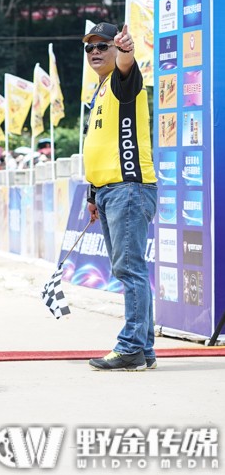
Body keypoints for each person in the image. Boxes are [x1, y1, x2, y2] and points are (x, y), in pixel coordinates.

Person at [82, 22, 158, 372]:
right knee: (132, 270)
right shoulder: (98, 90)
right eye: (89, 47)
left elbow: (127, 65)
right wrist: (93, 193)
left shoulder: (122, 80)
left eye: (103, 45)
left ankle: (129, 348)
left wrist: (128, 51)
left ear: (116, 49)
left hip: (128, 188)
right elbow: (100, 146)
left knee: (130, 271)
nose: (95, 51)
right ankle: (143, 350)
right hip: (110, 191)